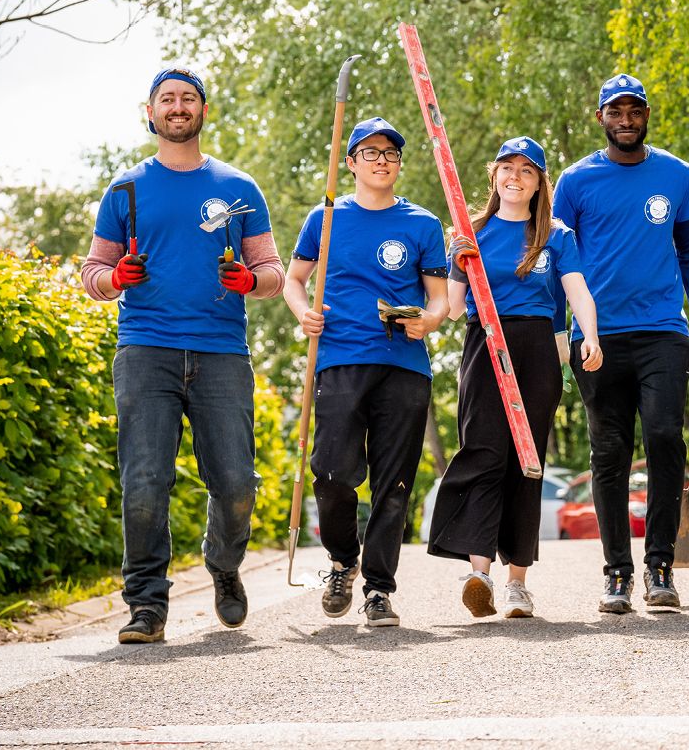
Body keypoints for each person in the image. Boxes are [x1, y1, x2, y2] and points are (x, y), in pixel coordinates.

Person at [81, 67, 284, 644]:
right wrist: (112, 278)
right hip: (146, 350)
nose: (177, 106)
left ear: (202, 111)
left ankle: (222, 563)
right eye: (166, 99)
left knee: (238, 483)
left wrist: (250, 280)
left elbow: (271, 273)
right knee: (145, 481)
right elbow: (92, 272)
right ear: (150, 113)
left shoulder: (239, 189)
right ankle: (146, 606)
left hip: (222, 352)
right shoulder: (125, 191)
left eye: (187, 98)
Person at [283, 117, 448, 627]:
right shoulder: (326, 217)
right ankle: (341, 559)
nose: (382, 160)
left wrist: (429, 320)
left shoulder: (422, 223)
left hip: (404, 365)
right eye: (370, 152)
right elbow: (294, 280)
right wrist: (302, 312)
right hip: (339, 360)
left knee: (394, 481)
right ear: (350, 162)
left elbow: (439, 299)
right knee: (331, 472)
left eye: (391, 153)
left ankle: (379, 588)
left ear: (399, 164)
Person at [553, 74, 689, 614]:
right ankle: (617, 573)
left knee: (665, 438)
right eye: (615, 111)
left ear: (646, 115)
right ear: (601, 117)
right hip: (597, 338)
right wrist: (561, 334)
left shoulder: (677, 175)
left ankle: (660, 566)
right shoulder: (574, 183)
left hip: (664, 331)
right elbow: (557, 264)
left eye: (634, 110)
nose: (625, 119)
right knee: (610, 451)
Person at [430, 137, 603, 619]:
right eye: (507, 168)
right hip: (485, 342)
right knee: (484, 451)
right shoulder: (472, 231)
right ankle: (479, 573)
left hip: (535, 348)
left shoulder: (556, 235)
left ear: (538, 183)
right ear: (494, 177)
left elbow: (578, 292)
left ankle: (517, 584)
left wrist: (590, 336)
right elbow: (454, 309)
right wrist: (457, 261)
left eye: (527, 171)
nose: (515, 177)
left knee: (526, 460)